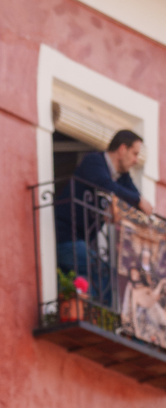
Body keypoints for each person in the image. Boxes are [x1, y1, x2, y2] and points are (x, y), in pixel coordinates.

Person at [56, 130, 155, 304]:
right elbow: (104, 184)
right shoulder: (93, 160)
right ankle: (99, 317)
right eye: (135, 154)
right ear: (122, 149)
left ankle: (93, 317)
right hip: (64, 238)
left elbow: (131, 200)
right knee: (102, 272)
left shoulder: (121, 176)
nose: (135, 160)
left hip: (81, 241)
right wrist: (139, 200)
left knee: (93, 277)